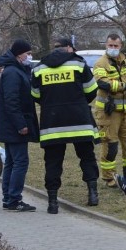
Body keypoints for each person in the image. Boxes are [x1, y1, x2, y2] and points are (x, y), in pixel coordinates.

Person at [32, 36, 100, 213]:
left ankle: (52, 203)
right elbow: (92, 90)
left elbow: (35, 95)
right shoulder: (78, 64)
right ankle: (93, 194)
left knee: (53, 162)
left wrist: (52, 104)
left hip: (52, 124)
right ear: (68, 49)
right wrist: (77, 103)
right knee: (87, 157)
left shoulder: (38, 68)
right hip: (79, 121)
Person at [92, 33, 126, 188]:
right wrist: (124, 86)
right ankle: (109, 178)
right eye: (110, 45)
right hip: (108, 113)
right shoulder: (100, 63)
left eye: (116, 46)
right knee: (110, 145)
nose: (113, 48)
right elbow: (103, 83)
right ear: (106, 45)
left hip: (125, 112)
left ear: (121, 46)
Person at [0, 39, 40, 212]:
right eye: (28, 53)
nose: (30, 56)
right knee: (20, 162)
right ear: (19, 54)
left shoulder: (15, 70)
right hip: (14, 126)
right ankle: (14, 198)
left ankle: (8, 197)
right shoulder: (13, 73)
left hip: (10, 125)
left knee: (12, 162)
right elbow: (12, 101)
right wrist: (21, 124)